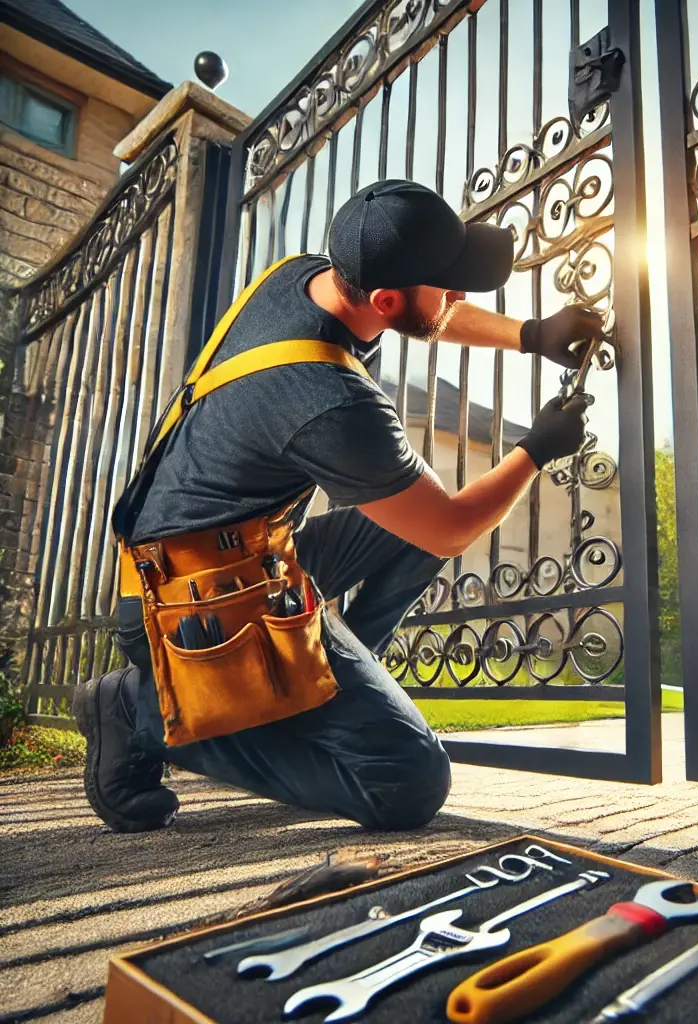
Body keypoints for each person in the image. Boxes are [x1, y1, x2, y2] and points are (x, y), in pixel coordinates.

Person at [72, 179, 603, 833]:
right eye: (451, 282)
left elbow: (424, 310)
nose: (461, 294)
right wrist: (537, 449)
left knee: (404, 516)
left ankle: (321, 682)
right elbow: (450, 530)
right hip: (187, 609)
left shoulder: (304, 277)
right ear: (382, 296)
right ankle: (138, 710)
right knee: (406, 783)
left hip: (224, 558)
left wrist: (529, 334)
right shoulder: (328, 397)